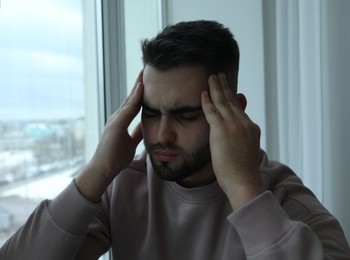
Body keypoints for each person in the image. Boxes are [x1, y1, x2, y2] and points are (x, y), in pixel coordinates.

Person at [1, 20, 349, 260]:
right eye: (151, 113)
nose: (162, 135)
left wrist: (244, 188)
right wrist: (97, 171)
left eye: (185, 115)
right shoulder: (122, 189)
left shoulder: (288, 205)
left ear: (234, 111)